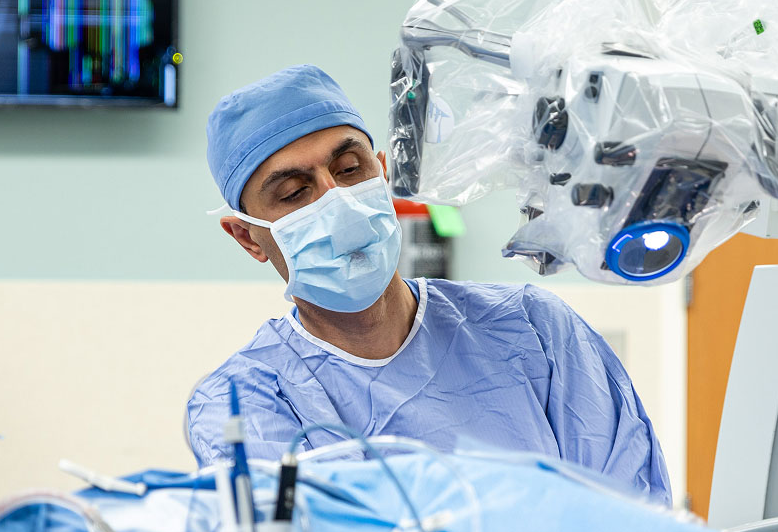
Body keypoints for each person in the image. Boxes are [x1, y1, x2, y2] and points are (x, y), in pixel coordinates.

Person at [187, 65, 671, 504]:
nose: (338, 203)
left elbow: (637, 523)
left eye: (350, 169)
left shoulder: (536, 331)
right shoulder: (245, 402)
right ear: (249, 238)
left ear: (382, 171)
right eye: (295, 193)